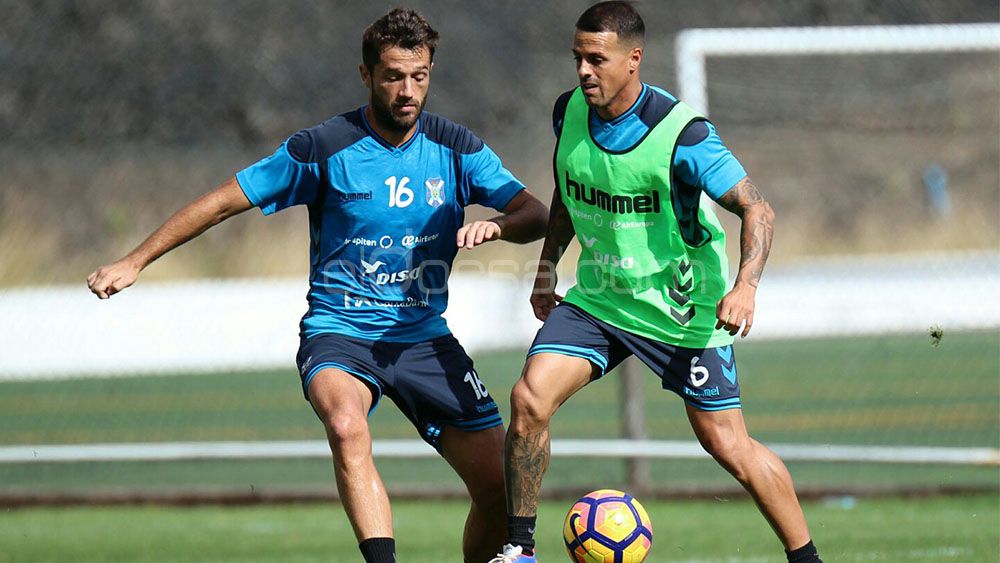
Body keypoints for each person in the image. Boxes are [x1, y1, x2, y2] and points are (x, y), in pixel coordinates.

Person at [87, 9, 548, 563]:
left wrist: (496, 225)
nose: (407, 90)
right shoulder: (323, 147)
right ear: (366, 74)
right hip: (340, 333)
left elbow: (535, 213)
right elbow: (221, 203)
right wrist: (135, 259)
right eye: (393, 76)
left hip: (423, 338)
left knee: (499, 489)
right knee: (347, 426)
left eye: (419, 76)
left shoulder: (455, 147)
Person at [491, 2, 822, 563]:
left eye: (597, 59)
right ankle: (519, 549)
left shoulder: (683, 134)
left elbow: (757, 209)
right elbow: (569, 194)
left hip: (682, 311)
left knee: (727, 445)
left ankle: (806, 558)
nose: (583, 71)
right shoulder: (567, 113)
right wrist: (547, 271)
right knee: (528, 399)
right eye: (577, 58)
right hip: (599, 300)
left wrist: (745, 288)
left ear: (634, 59)